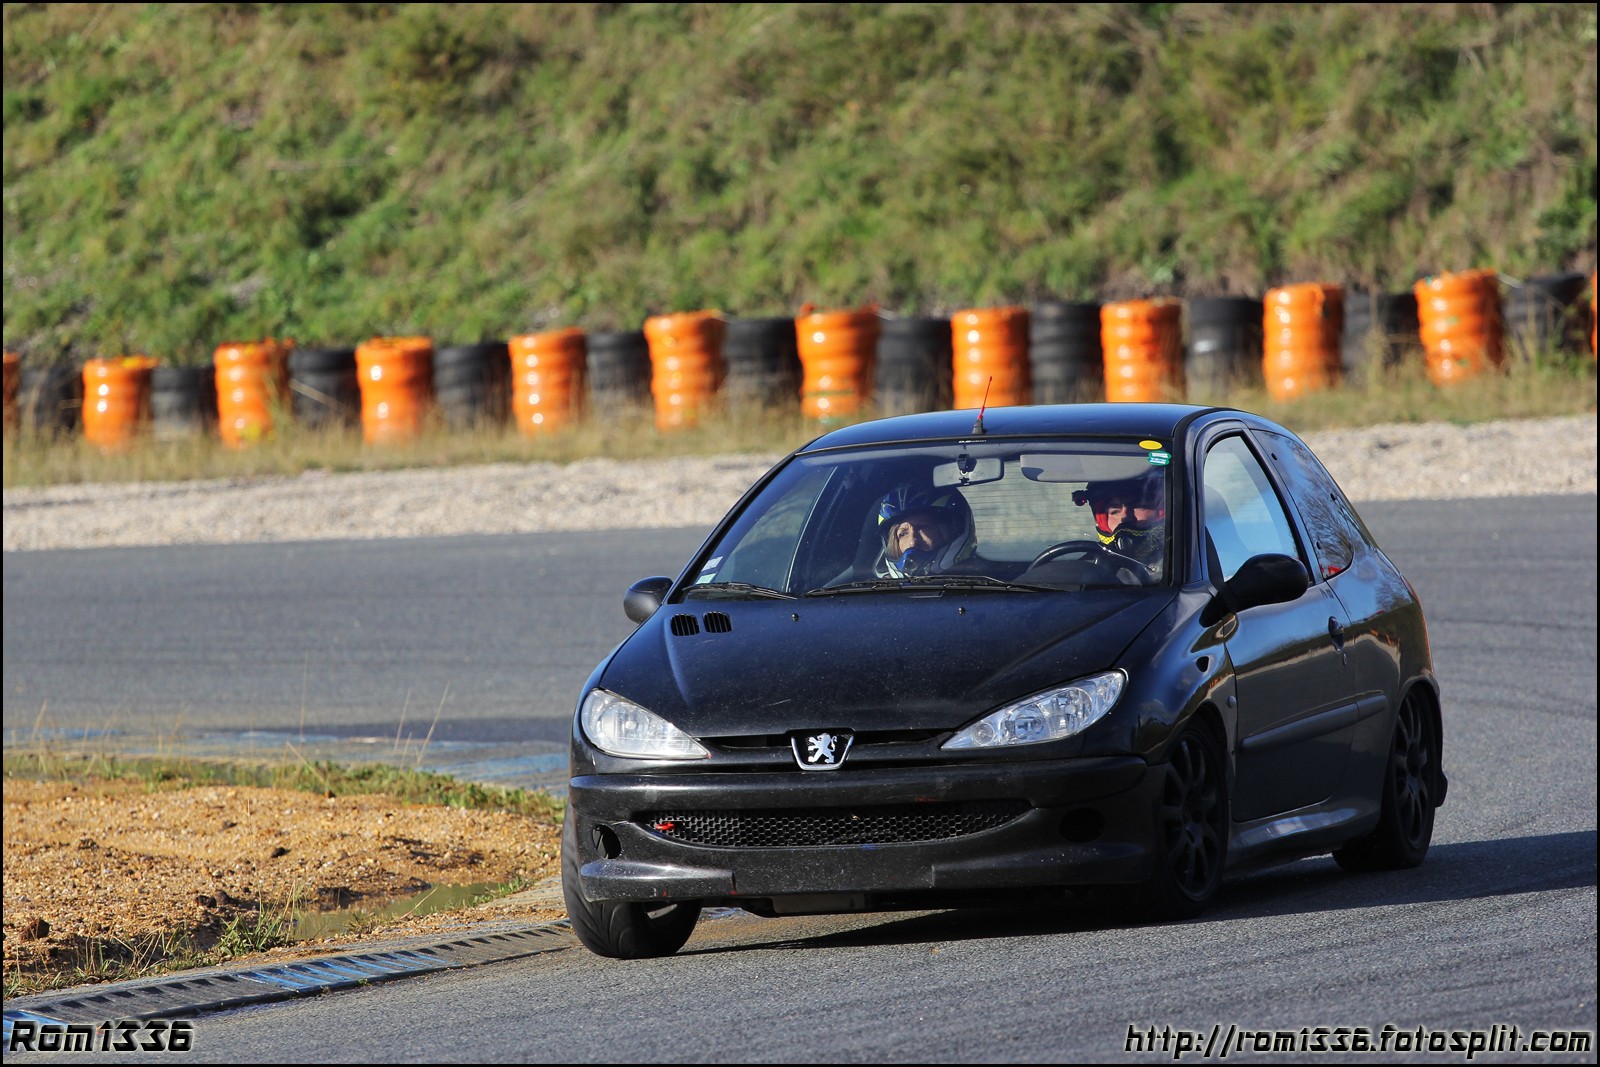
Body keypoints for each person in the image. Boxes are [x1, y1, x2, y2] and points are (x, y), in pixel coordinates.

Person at [1072, 470, 1166, 576]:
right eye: (1115, 511)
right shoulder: (1083, 571)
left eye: (1137, 507)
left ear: (1160, 511)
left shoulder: (1178, 564)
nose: (1125, 518)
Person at [874, 482, 977, 577]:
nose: (912, 542)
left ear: (948, 532)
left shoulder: (982, 581)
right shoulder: (882, 589)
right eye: (903, 534)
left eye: (922, 528)